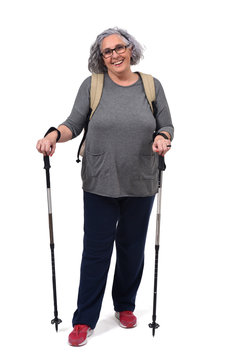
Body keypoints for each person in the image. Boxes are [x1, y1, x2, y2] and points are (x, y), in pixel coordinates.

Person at [36, 27, 174, 346]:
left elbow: (166, 124)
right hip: (99, 179)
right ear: (101, 57)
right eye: (107, 51)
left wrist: (162, 137)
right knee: (96, 251)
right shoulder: (93, 85)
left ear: (131, 48)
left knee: (131, 248)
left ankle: (124, 305)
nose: (114, 55)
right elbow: (73, 123)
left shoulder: (152, 85)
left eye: (119, 48)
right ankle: (84, 319)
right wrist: (53, 136)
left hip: (141, 179)